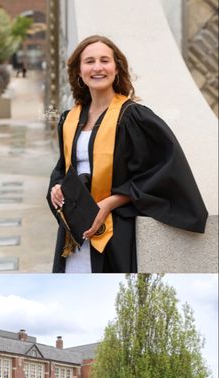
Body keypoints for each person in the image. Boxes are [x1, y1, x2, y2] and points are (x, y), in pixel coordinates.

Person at [48, 35, 208, 273]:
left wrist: (110, 202)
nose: (98, 67)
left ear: (116, 68)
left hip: (114, 231)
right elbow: (63, 168)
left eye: (105, 60)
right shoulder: (68, 119)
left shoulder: (133, 117)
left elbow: (162, 170)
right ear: (79, 72)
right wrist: (57, 187)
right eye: (89, 61)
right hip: (74, 229)